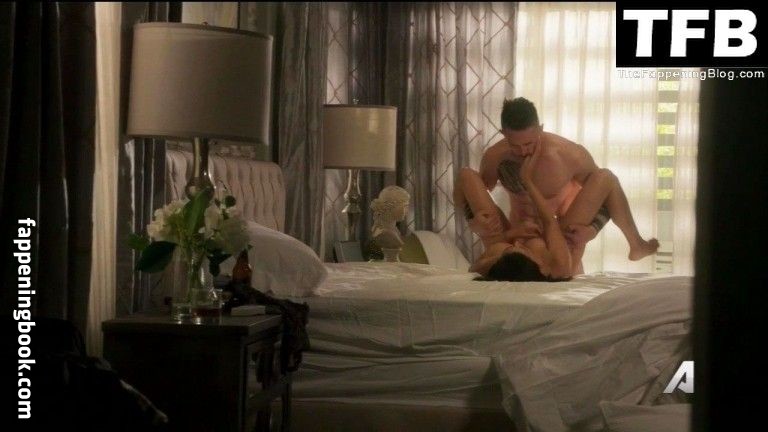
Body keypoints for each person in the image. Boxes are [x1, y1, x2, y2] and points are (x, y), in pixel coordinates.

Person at [471, 97, 658, 273]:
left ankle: (636, 244)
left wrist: (593, 229)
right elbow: (478, 194)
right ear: (503, 134)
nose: (523, 151)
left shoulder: (568, 154)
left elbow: (607, 193)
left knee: (605, 177)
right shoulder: (494, 156)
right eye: (515, 145)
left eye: (528, 143)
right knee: (467, 177)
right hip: (519, 237)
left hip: (561, 236)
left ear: (540, 129)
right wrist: (475, 221)